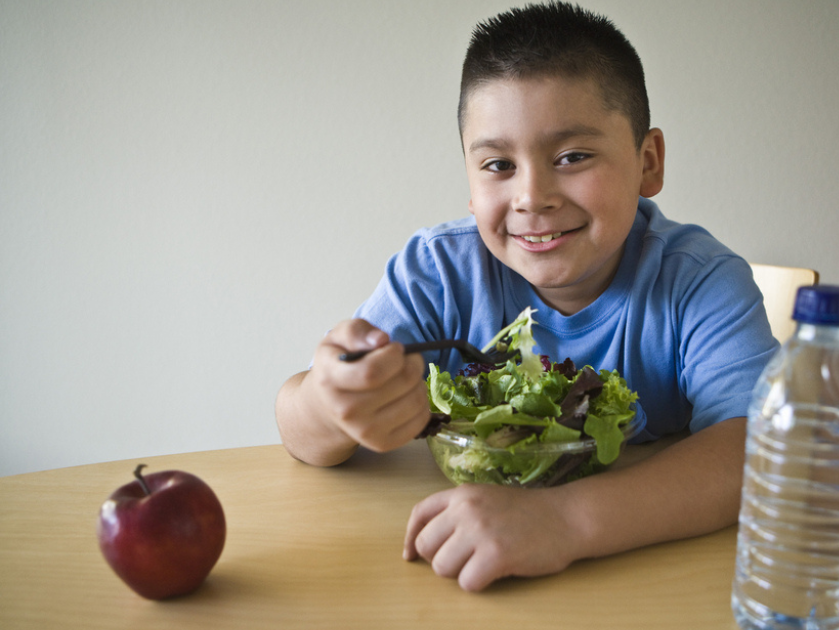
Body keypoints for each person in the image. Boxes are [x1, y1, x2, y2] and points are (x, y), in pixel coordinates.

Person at [275, 1, 777, 592]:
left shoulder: (700, 281)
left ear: (648, 162)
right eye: (497, 164)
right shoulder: (439, 272)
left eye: (572, 157)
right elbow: (300, 428)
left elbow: (758, 452)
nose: (531, 196)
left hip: (651, 581)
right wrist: (331, 405)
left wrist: (564, 521)